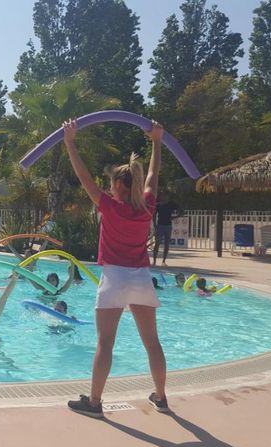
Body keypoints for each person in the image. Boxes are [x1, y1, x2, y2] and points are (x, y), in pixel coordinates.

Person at [63, 118, 168, 418]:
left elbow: (82, 175)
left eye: (111, 183)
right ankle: (161, 397)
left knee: (105, 344)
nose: (108, 187)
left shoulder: (109, 206)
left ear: (119, 185)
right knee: (152, 343)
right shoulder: (146, 206)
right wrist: (157, 141)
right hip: (141, 279)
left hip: (114, 279)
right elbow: (152, 175)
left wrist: (70, 142)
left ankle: (95, 402)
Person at [152, 192, 178, 267]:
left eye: (166, 195)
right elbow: (154, 215)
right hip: (160, 225)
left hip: (168, 226)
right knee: (157, 243)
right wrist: (155, 224)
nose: (164, 197)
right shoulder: (158, 205)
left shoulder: (171, 204)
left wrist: (175, 217)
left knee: (166, 244)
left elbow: (181, 210)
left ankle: (164, 261)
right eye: (163, 195)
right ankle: (154, 261)